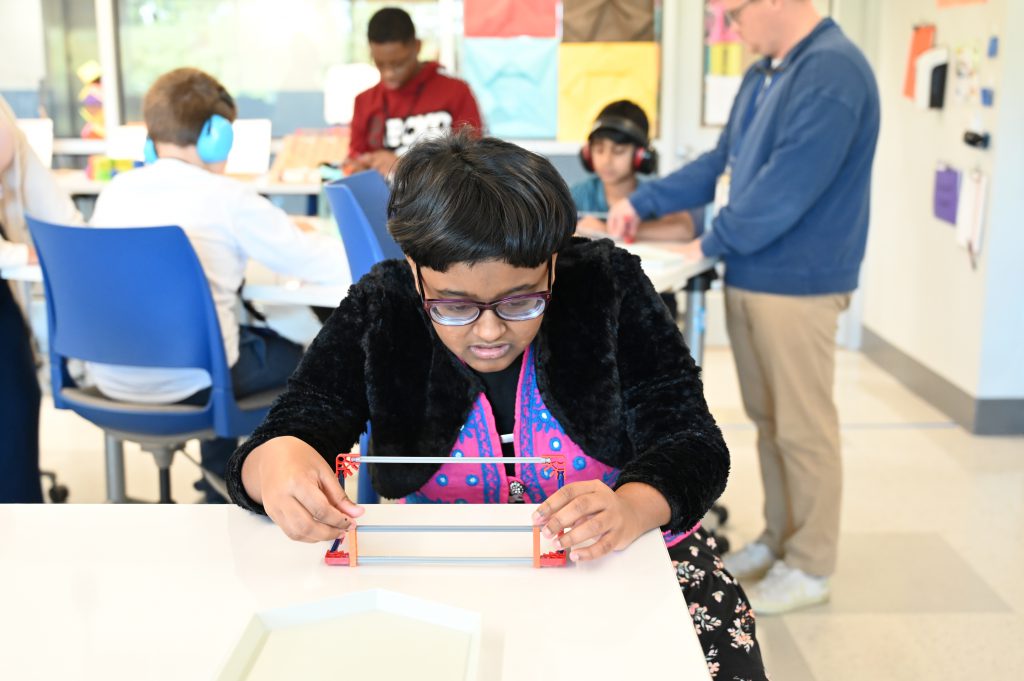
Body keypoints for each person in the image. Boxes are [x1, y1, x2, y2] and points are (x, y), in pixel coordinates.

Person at [227, 131, 767, 679]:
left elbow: (692, 440)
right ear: (415, 273)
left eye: (521, 299)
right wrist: (276, 461)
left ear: (552, 266)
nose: (489, 331)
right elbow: (296, 421)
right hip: (443, 577)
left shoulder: (607, 285)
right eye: (454, 306)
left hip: (622, 559)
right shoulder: (383, 306)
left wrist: (631, 506)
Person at [608, 0, 880, 614]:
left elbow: (783, 193)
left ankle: (811, 564)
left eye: (732, 14)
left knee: (804, 427)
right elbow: (717, 166)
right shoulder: (765, 74)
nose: (728, 28)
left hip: (800, 283)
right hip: (755, 273)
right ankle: (780, 539)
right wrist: (643, 202)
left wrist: (708, 241)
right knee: (770, 420)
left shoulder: (832, 73)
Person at [88, 68, 348, 502]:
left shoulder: (114, 193)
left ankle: (215, 480)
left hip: (109, 375)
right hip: (199, 380)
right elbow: (321, 262)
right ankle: (240, 486)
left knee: (229, 339)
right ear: (217, 136)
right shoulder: (227, 198)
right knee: (302, 360)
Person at [0, 96, 83, 503]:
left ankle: (17, 523)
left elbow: (61, 215)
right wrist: (18, 254)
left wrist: (73, 244)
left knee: (14, 402)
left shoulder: (6, 127)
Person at [346, 7, 483, 177]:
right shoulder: (365, 101)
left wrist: (402, 164)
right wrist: (358, 166)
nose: (389, 73)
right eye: (380, 64)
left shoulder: (456, 92)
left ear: (417, 47)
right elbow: (354, 159)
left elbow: (474, 160)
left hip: (443, 201)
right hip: (383, 201)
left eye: (398, 64)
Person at [572, 99, 694, 243]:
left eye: (619, 151)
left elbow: (684, 229)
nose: (607, 160)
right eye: (599, 150)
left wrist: (608, 230)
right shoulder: (579, 194)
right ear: (588, 152)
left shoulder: (653, 192)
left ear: (640, 156)